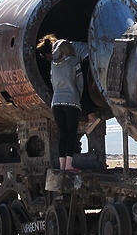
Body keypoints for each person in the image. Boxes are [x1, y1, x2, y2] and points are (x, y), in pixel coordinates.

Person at [37, 34, 97, 172]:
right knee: (71, 134)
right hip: (71, 102)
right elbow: (80, 83)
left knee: (63, 134)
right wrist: (79, 98)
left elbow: (53, 82)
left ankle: (62, 166)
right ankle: (69, 165)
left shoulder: (54, 64)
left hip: (56, 103)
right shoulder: (73, 61)